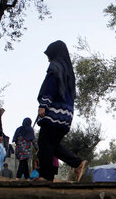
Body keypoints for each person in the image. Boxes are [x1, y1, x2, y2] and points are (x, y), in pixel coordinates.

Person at [36, 40, 88, 182]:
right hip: (66, 115)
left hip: (54, 112)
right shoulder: (68, 70)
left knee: (44, 143)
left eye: (49, 54)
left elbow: (51, 86)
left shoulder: (55, 66)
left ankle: (45, 177)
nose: (48, 58)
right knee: (52, 145)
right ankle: (77, 163)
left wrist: (44, 104)